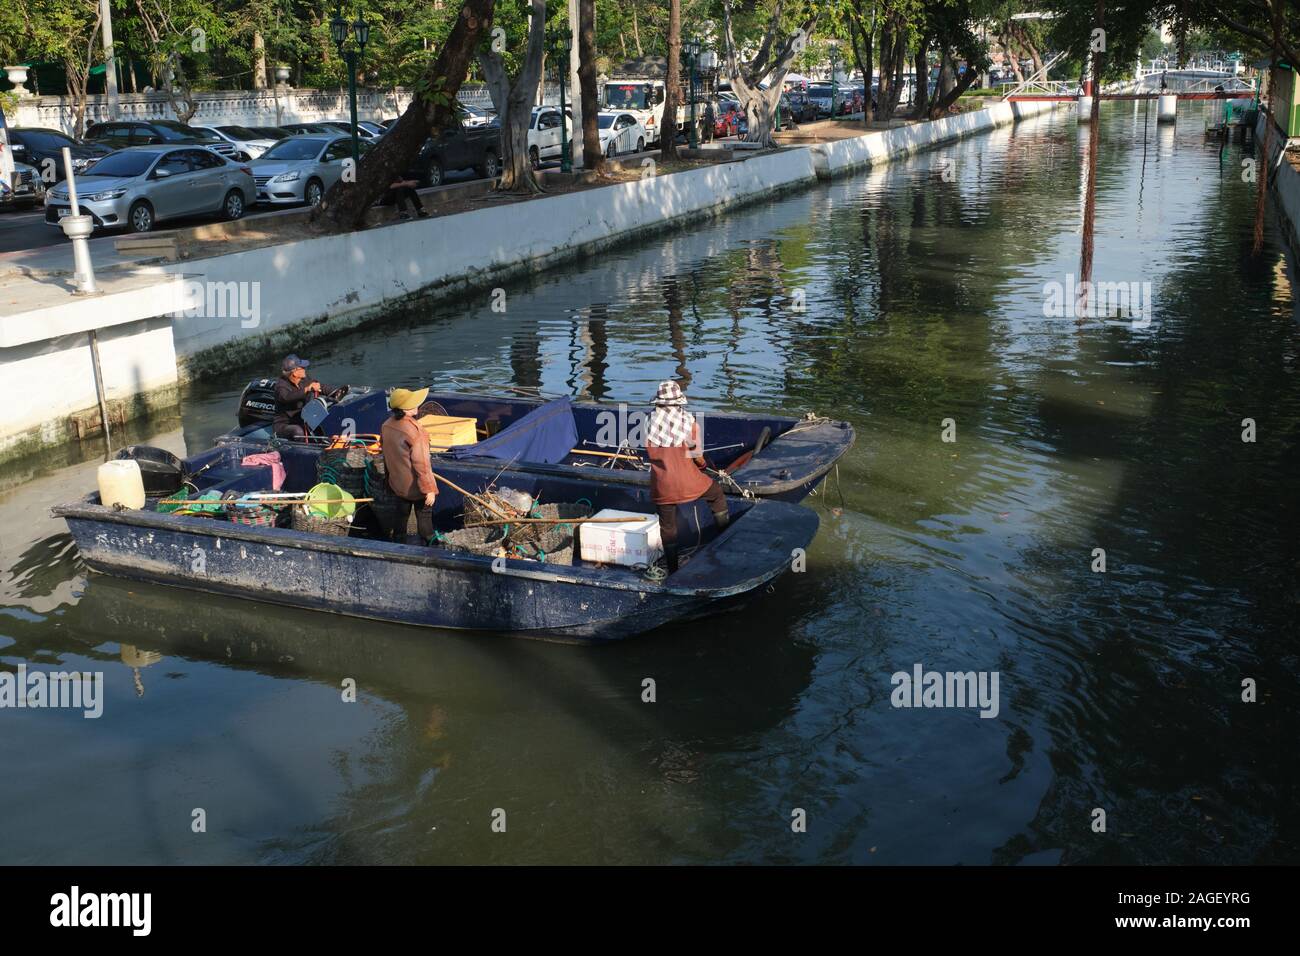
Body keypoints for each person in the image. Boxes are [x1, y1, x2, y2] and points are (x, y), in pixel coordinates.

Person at [644, 381, 730, 574]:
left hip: (662, 485)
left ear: (658, 403)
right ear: (678, 403)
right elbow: (697, 455)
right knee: (716, 494)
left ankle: (673, 570)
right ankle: (724, 542)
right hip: (689, 482)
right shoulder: (688, 422)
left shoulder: (649, 421)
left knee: (667, 527)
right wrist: (703, 465)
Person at [380, 387, 438, 543]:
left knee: (401, 517)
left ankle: (399, 543)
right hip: (416, 487)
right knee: (424, 518)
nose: (417, 405)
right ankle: (432, 546)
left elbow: (386, 455)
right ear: (405, 409)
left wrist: (388, 480)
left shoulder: (386, 425)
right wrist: (430, 489)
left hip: (397, 484)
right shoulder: (416, 430)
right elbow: (422, 464)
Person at [272, 354, 328, 439]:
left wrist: (337, 392)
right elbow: (286, 397)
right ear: (294, 372)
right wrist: (306, 390)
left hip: (302, 419)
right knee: (298, 431)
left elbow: (319, 386)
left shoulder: (304, 380)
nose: (305, 369)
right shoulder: (281, 386)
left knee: (323, 422)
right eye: (302, 368)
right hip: (285, 425)